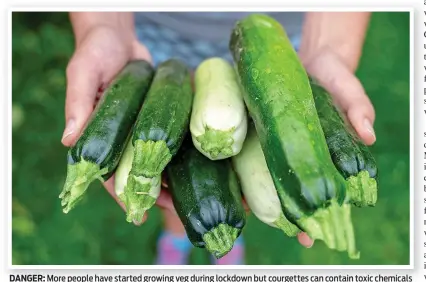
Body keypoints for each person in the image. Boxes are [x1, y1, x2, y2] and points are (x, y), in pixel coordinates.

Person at [61, 11, 376, 265]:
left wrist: (326, 46)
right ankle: (177, 237)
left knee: (245, 164)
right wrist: (105, 24)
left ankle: (213, 242)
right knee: (176, 174)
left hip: (271, 41)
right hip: (158, 36)